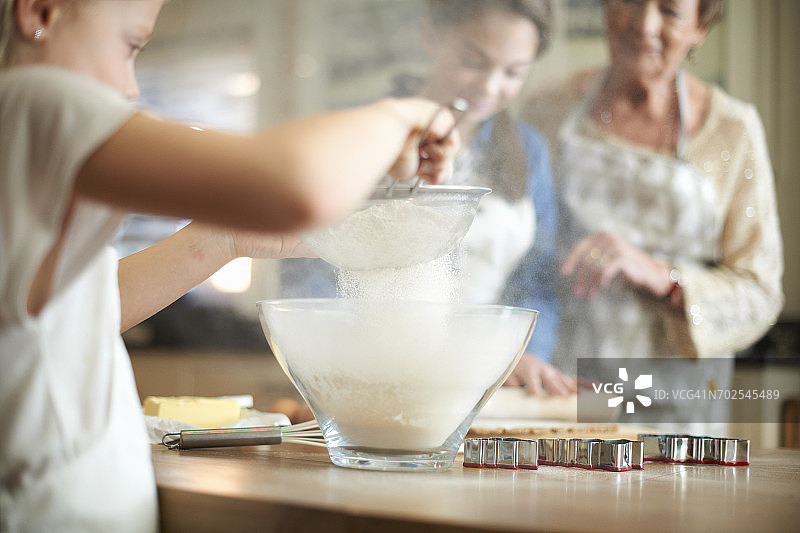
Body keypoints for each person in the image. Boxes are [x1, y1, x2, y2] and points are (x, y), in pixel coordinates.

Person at [0, 0, 459, 530]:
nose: (130, 87)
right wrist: (404, 114)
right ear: (40, 12)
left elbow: (83, 314)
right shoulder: (29, 100)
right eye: (129, 45)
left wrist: (225, 238)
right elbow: (294, 183)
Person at [281, 0, 577, 397]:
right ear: (431, 35)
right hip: (364, 375)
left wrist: (519, 351)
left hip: (482, 379)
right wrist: (339, 358)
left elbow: (537, 278)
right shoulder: (360, 128)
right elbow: (307, 266)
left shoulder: (530, 153)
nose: (489, 87)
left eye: (512, 72)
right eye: (473, 61)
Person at [522, 0, 784, 429]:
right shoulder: (544, 109)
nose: (643, 25)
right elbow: (517, 258)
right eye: (629, 1)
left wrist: (662, 277)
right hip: (561, 392)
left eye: (669, 10)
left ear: (700, 27)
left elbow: (760, 293)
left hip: (677, 408)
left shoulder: (732, 131)